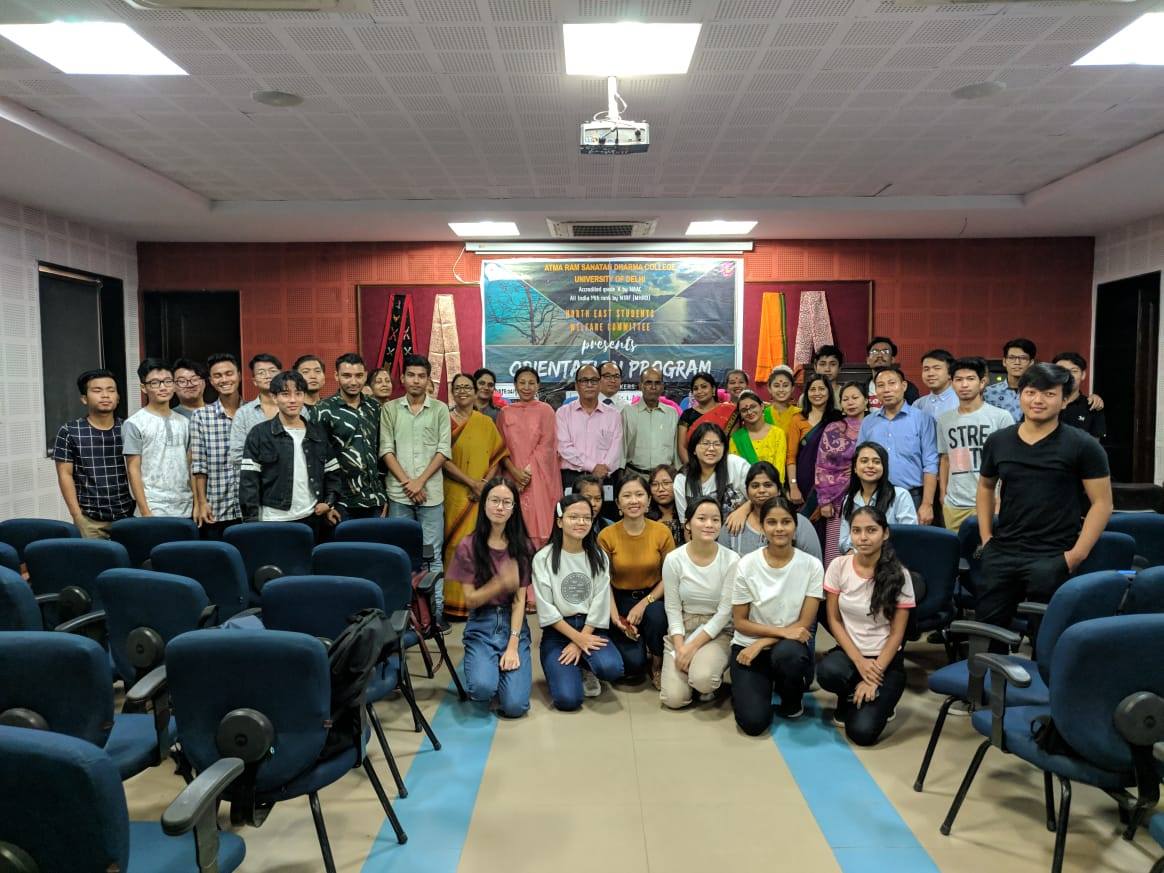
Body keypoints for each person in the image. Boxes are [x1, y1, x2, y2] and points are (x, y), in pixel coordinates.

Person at [976, 363, 1112, 643]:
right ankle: (987, 675)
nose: (1037, 400)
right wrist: (986, 538)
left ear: (1064, 400)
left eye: (1049, 394)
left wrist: (1076, 555)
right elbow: (986, 486)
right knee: (987, 635)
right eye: (1030, 392)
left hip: (1054, 555)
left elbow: (1102, 504)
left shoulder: (1083, 445)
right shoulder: (999, 441)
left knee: (1047, 640)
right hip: (1002, 552)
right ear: (1020, 396)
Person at [818, 506, 915, 746]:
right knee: (828, 672)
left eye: (871, 530)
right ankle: (851, 693)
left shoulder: (900, 575)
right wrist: (860, 662)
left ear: (885, 533)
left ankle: (881, 699)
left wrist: (874, 676)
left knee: (861, 733)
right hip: (851, 654)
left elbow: (897, 634)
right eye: (856, 531)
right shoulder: (839, 566)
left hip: (885, 660)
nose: (863, 537)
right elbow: (834, 620)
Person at [730, 495, 824, 735]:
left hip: (787, 648)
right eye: (771, 522)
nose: (779, 528)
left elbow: (803, 625)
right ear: (762, 527)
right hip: (748, 646)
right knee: (753, 723)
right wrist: (763, 641)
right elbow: (740, 622)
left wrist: (762, 642)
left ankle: (791, 698)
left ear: (795, 526)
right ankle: (758, 687)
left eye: (786, 522)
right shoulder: (747, 564)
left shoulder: (812, 566)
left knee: (789, 656)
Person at [448, 478, 533, 718]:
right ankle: (485, 664)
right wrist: (499, 583)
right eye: (494, 500)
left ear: (514, 508)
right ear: (484, 503)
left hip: (512, 623)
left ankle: (501, 665)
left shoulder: (523, 546)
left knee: (515, 707)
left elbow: (519, 601)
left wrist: (513, 646)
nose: (500, 507)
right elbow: (471, 600)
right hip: (481, 622)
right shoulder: (468, 546)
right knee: (482, 689)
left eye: (507, 502)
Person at [533, 493, 625, 709]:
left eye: (586, 518)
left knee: (612, 668)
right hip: (558, 632)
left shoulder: (599, 556)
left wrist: (580, 641)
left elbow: (600, 603)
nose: (581, 522)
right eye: (574, 517)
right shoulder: (543, 558)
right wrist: (576, 639)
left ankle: (585, 665)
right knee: (568, 700)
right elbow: (546, 609)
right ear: (559, 521)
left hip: (590, 628)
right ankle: (570, 669)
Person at [380, 354, 452, 622]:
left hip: (431, 494)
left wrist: (420, 481)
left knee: (432, 554)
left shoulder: (440, 409)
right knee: (400, 554)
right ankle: (406, 616)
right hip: (399, 494)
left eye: (421, 376)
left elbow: (444, 450)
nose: (416, 380)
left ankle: (435, 614)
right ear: (403, 378)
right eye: (411, 375)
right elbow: (386, 450)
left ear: (428, 379)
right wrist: (409, 483)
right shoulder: (390, 409)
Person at [239, 370, 342, 542]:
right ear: (274, 397)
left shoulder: (317, 432)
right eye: (285, 394)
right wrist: (251, 523)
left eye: (298, 393)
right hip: (272, 519)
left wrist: (329, 502)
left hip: (311, 517)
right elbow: (248, 482)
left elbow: (333, 472)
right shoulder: (259, 433)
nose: (293, 400)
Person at [442, 373, 513, 620]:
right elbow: (441, 459)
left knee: (478, 545)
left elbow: (496, 456)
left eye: (467, 387)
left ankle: (477, 602)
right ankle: (452, 604)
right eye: (458, 387)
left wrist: (482, 485)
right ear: (452, 392)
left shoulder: (485, 422)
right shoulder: (444, 420)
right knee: (454, 545)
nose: (462, 391)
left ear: (475, 392)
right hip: (453, 491)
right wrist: (470, 483)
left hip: (481, 494)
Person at [660, 497, 738, 709]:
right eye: (702, 518)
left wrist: (693, 647)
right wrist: (680, 647)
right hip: (684, 626)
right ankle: (691, 673)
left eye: (715, 519)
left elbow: (725, 612)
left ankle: (702, 677)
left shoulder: (731, 560)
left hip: (718, 630)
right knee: (673, 699)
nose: (709, 524)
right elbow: (672, 608)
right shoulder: (674, 559)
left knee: (704, 679)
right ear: (688, 524)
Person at [599, 475, 675, 686]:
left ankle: (657, 663)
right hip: (619, 599)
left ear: (649, 500)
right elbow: (603, 582)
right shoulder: (606, 535)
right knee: (633, 666)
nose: (634, 501)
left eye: (639, 494)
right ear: (618, 503)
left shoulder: (662, 532)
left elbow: (670, 577)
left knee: (656, 616)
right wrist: (616, 617)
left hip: (654, 597)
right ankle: (640, 649)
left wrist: (644, 603)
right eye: (627, 496)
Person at [54, 369, 135, 538]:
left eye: (111, 390)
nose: (105, 395)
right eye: (97, 390)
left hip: (128, 516)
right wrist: (77, 516)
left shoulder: (128, 428)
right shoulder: (70, 431)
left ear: (118, 397)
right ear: (84, 398)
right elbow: (65, 475)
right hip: (90, 520)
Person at [937, 357, 1015, 532]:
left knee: (988, 548)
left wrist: (1000, 500)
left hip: (990, 501)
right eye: (958, 379)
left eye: (970, 379)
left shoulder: (1001, 417)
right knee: (955, 549)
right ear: (951, 383)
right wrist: (943, 495)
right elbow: (945, 459)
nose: (964, 384)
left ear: (982, 382)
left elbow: (1009, 464)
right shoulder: (944, 420)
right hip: (955, 504)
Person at [857, 366, 938, 522]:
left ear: (904, 386)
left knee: (910, 538)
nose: (886, 389)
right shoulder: (868, 422)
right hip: (875, 496)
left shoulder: (922, 419)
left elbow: (931, 463)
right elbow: (859, 460)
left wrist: (927, 504)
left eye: (892, 383)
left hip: (912, 496)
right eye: (880, 385)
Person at [315, 353, 388, 522]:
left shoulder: (374, 407)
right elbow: (317, 459)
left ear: (365, 376)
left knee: (377, 540)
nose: (354, 382)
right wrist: (328, 503)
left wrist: (384, 495)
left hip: (374, 500)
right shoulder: (323, 410)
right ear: (336, 376)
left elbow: (382, 452)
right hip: (340, 502)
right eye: (347, 376)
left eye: (359, 375)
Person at [497, 366, 561, 553]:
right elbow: (500, 449)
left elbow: (547, 445)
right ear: (515, 385)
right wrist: (515, 473)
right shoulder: (505, 413)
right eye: (522, 383)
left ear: (538, 386)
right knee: (513, 530)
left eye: (531, 383)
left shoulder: (546, 411)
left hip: (539, 479)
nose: (526, 387)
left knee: (540, 529)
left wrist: (525, 474)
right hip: (512, 478)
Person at [124, 358, 193, 519]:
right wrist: (145, 511)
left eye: (168, 381)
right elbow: (133, 469)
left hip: (186, 506)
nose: (163, 387)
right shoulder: (134, 423)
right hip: (152, 507)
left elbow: (190, 465)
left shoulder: (185, 422)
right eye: (155, 383)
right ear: (143, 387)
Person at [719, 461, 822, 560]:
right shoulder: (733, 524)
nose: (761, 490)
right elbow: (722, 566)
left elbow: (815, 565)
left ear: (778, 490)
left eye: (768, 485)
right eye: (755, 486)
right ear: (747, 491)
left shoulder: (800, 523)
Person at [191, 353, 243, 540]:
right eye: (218, 376)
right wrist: (201, 502)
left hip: (250, 508)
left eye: (229, 373)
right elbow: (199, 465)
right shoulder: (201, 416)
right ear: (211, 381)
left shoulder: (252, 412)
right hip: (216, 508)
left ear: (239, 375)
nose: (224, 379)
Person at [815, 381, 868, 563]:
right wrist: (824, 500)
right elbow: (822, 465)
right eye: (845, 399)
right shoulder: (833, 428)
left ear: (866, 401)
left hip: (869, 494)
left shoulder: (875, 425)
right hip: (836, 498)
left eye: (855, 397)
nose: (850, 402)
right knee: (835, 551)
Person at [838, 442, 918, 554]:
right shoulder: (849, 500)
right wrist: (853, 552)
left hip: (892, 559)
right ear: (855, 468)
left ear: (884, 467)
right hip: (858, 559)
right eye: (864, 461)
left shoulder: (900, 496)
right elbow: (843, 542)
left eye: (876, 462)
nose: (870, 465)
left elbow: (909, 538)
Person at [556, 364, 622, 496]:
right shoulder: (563, 413)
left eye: (594, 380)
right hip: (572, 477)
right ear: (576, 385)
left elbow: (616, 449)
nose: (590, 385)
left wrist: (603, 469)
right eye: (584, 381)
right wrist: (593, 467)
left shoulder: (613, 415)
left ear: (600, 384)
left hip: (604, 477)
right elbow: (564, 447)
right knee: (573, 509)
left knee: (605, 509)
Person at [674, 422, 749, 520]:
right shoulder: (682, 479)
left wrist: (743, 510)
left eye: (717, 444)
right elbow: (685, 522)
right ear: (694, 449)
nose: (711, 448)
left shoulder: (736, 464)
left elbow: (760, 496)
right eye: (705, 443)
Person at [790, 373, 842, 510]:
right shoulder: (798, 419)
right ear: (806, 393)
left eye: (821, 389)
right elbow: (791, 458)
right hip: (802, 483)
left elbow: (839, 458)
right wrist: (793, 486)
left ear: (829, 392)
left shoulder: (837, 418)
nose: (817, 393)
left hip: (830, 484)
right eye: (812, 389)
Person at [229, 353, 282, 473]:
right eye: (261, 372)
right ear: (254, 381)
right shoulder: (243, 413)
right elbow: (237, 455)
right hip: (256, 479)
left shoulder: (296, 407)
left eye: (272, 371)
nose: (268, 376)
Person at [622, 368, 678, 477]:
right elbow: (621, 448)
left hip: (664, 478)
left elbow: (676, 449)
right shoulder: (628, 412)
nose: (653, 387)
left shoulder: (672, 413)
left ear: (662, 387)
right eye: (648, 383)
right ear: (640, 386)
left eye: (657, 383)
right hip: (635, 476)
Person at [729, 389, 788, 482]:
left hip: (774, 487)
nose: (749, 412)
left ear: (762, 406)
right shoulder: (736, 439)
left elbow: (779, 469)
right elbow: (737, 472)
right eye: (744, 410)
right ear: (740, 414)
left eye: (753, 407)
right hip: (747, 488)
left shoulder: (777, 434)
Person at [676, 373, 733, 465]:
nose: (699, 391)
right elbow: (682, 447)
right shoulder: (687, 415)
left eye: (704, 387)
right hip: (695, 466)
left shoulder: (728, 411)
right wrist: (692, 468)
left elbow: (733, 442)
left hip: (724, 464)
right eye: (695, 388)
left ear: (713, 389)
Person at [1052, 352, 1106, 441]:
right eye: (1062, 371)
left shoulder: (1093, 406)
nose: (1068, 376)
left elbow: (1094, 445)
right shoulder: (1044, 402)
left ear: (1083, 375)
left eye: (1074, 371)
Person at [983, 338, 1035, 422]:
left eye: (1023, 358)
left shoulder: (1038, 393)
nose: (1017, 362)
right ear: (1004, 361)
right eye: (1011, 358)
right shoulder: (988, 393)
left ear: (1031, 362)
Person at [865, 337, 920, 409]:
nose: (879, 355)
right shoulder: (861, 389)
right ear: (868, 360)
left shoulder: (909, 388)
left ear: (892, 359)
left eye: (885, 352)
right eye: (874, 352)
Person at [646, 464, 684, 547]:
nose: (661, 489)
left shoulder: (686, 516)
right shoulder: (645, 519)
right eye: (655, 484)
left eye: (666, 483)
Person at [916, 349, 957, 421]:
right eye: (926, 369)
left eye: (937, 368)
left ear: (950, 373)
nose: (930, 374)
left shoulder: (962, 402)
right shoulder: (918, 404)